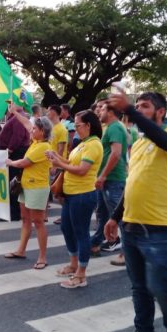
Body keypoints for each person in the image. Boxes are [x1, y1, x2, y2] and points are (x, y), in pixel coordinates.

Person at [105, 91, 167, 332]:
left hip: (159, 228)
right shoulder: (138, 144)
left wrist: (129, 109)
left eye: (145, 106)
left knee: (159, 287)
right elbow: (132, 183)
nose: (138, 110)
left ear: (160, 112)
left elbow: (165, 141)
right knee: (139, 289)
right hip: (130, 226)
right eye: (137, 106)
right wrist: (114, 217)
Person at [47, 110, 103, 289]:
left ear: (88, 125)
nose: (75, 129)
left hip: (83, 194)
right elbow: (71, 164)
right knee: (66, 228)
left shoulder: (94, 144)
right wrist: (57, 158)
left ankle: (81, 273)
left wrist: (59, 164)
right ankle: (73, 263)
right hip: (71, 193)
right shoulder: (82, 144)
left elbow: (81, 170)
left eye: (77, 125)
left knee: (81, 232)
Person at [4, 107, 52, 270]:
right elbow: (25, 123)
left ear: (42, 131)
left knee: (38, 222)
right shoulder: (36, 142)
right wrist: (15, 113)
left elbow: (24, 163)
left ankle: (42, 257)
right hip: (26, 186)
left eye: (35, 129)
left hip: (37, 188)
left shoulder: (43, 147)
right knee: (25, 220)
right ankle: (21, 250)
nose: (31, 130)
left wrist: (10, 162)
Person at [91, 101, 127, 256]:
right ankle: (97, 242)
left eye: (103, 108)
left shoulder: (116, 127)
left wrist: (104, 175)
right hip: (106, 178)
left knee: (119, 216)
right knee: (102, 213)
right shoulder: (110, 127)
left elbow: (116, 153)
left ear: (111, 112)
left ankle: (126, 251)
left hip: (112, 179)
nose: (99, 111)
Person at [0, 104, 31, 221]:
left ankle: (14, 212)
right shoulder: (14, 117)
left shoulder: (18, 118)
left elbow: (17, 136)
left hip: (15, 153)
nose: (9, 105)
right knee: (11, 182)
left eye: (13, 102)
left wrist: (9, 150)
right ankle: (12, 211)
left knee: (13, 182)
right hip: (13, 152)